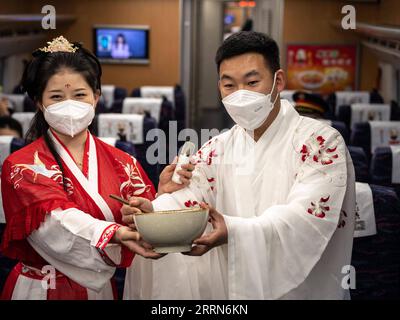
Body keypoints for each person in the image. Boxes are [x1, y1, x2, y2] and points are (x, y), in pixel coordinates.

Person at [123, 31, 356, 300]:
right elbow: (192, 199)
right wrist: (155, 209)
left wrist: (233, 232)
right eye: (229, 85)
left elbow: (304, 220)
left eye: (252, 82)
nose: (240, 95)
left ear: (278, 81)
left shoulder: (322, 143)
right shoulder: (217, 147)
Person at [0, 36, 193, 300]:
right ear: (39, 103)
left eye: (79, 95)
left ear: (96, 97)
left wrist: (161, 197)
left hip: (99, 290)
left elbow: (146, 226)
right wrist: (114, 232)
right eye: (56, 97)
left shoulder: (124, 162)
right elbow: (54, 225)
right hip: (39, 288)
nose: (69, 105)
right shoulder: (22, 165)